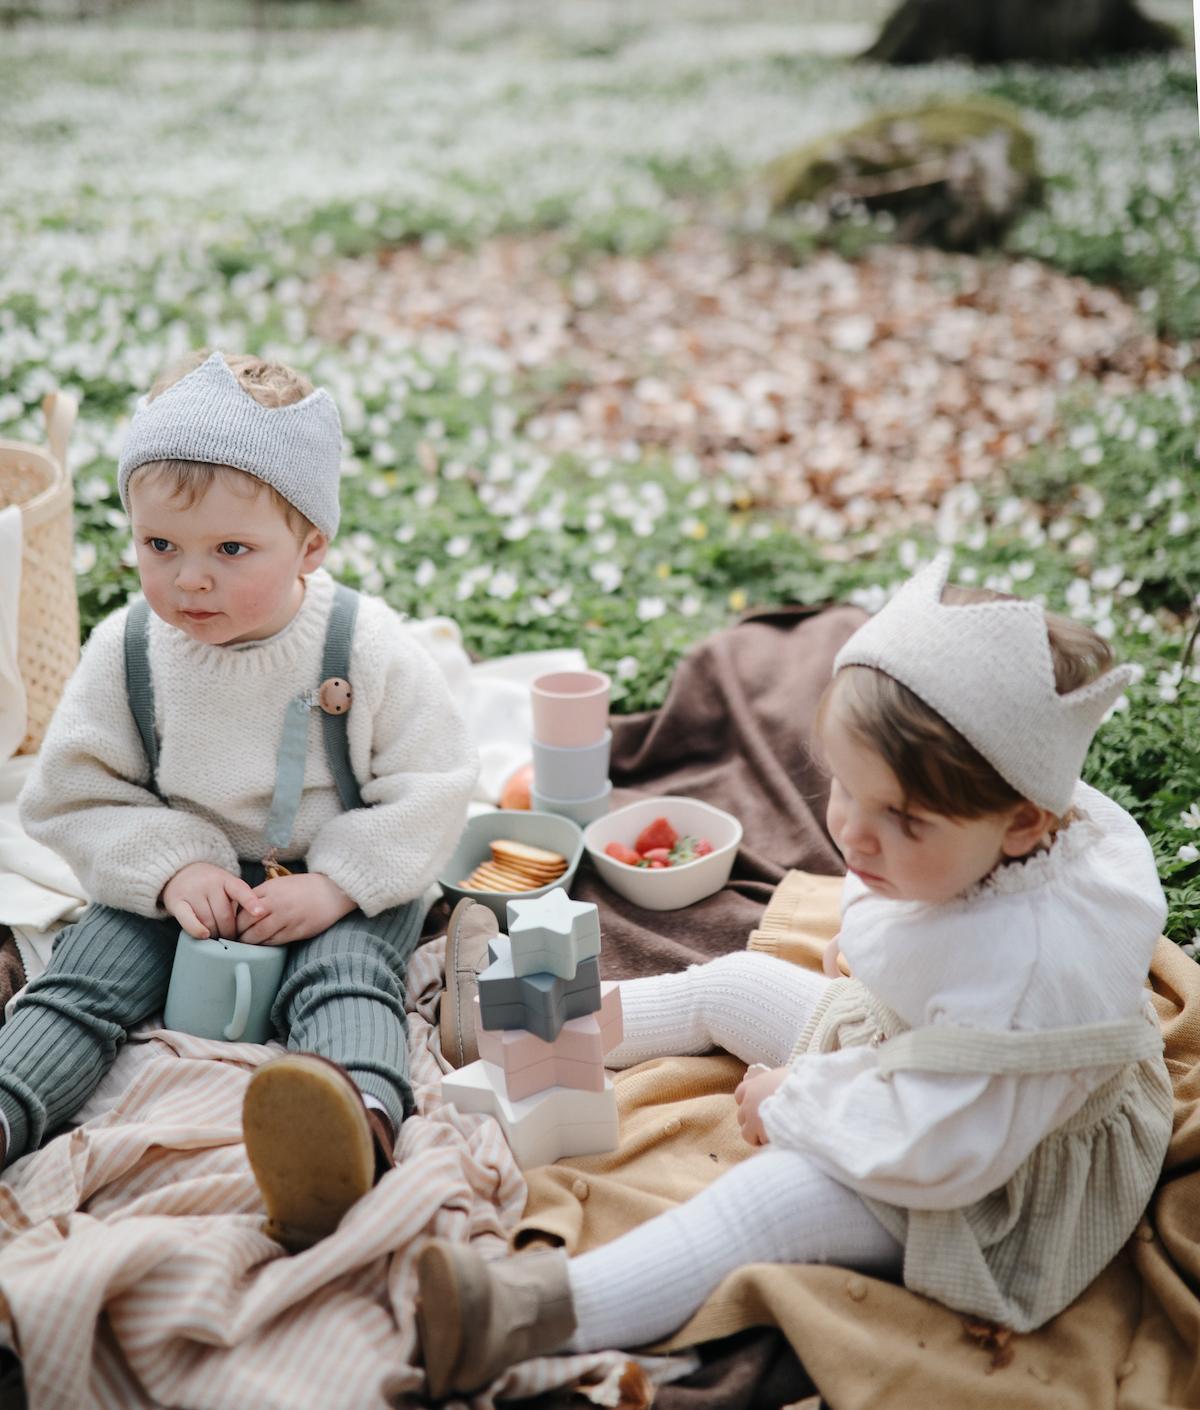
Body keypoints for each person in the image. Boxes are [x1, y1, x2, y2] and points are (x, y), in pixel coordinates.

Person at [415, 554, 1172, 1398]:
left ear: (1025, 823)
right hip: (926, 1054)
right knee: (733, 984)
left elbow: (940, 1147)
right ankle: (520, 1020)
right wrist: (881, 956)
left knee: (772, 1198)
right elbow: (923, 912)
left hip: (989, 1177)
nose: (854, 834)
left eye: (904, 820)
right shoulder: (968, 838)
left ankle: (523, 1312)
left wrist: (795, 1101)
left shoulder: (1026, 982)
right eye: (846, 789)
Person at [8, 349, 479, 1250]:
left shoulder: (360, 646)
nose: (190, 579)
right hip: (184, 879)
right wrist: (169, 865)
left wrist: (338, 882)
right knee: (84, 978)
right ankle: (9, 1107)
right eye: (160, 547)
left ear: (310, 546)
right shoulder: (129, 650)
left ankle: (352, 1129)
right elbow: (70, 792)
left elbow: (436, 785)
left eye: (231, 550)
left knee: (344, 977)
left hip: (335, 873)